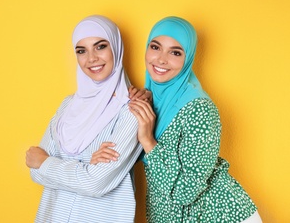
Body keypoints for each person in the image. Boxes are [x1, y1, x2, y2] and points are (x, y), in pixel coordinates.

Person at [96, 16, 262, 222]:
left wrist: (148, 140)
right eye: (155, 47)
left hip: (218, 216)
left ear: (188, 58)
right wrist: (103, 154)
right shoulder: (151, 99)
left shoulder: (199, 109)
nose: (161, 59)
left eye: (175, 52)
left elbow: (187, 192)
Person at [25, 15, 147, 223]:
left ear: (116, 49)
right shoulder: (68, 105)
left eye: (100, 47)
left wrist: (47, 162)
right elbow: (35, 172)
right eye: (81, 51)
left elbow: (95, 183)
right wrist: (84, 167)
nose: (91, 58)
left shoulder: (132, 109)